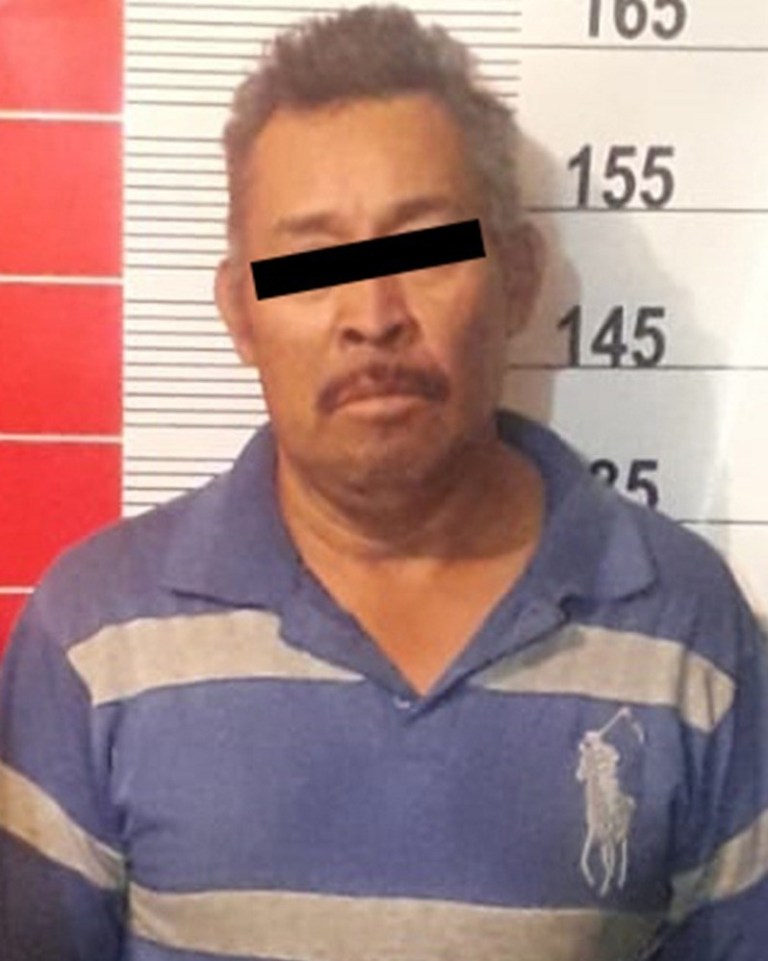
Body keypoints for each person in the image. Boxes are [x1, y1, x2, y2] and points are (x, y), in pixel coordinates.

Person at [1, 5, 767, 959]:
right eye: (311, 264)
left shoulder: (688, 634)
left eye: (426, 248)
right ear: (240, 312)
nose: (373, 314)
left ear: (518, 280)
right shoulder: (91, 637)